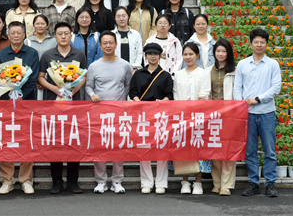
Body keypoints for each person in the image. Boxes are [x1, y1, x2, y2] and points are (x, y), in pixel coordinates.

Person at [37, 22, 87, 194]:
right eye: (60, 33)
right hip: (53, 103)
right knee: (55, 143)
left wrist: (74, 91)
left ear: (71, 35)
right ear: (55, 36)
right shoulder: (47, 55)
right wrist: (55, 89)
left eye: (66, 33)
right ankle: (57, 182)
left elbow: (83, 76)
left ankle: (73, 181)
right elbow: (41, 77)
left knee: (74, 142)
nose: (63, 36)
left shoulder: (79, 54)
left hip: (74, 105)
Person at [0, 21, 40, 195]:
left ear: (24, 34)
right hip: (6, 104)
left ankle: (26, 180)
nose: (15, 36)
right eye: (12, 33)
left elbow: (33, 78)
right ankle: (7, 180)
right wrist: (9, 94)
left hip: (26, 103)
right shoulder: (1, 54)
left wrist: (20, 95)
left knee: (26, 141)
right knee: (6, 141)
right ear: (8, 35)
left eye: (19, 33)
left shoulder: (32, 53)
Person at [235, 28, 281, 198]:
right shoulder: (242, 64)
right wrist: (240, 105)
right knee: (250, 151)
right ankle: (254, 183)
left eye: (262, 42)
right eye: (256, 42)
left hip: (266, 112)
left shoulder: (272, 64)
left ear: (266, 44)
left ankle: (270, 183)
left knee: (269, 150)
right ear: (251, 44)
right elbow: (237, 87)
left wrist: (258, 99)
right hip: (247, 114)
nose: (259, 45)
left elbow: (276, 87)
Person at [86, 31, 132, 194]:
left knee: (118, 146)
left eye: (110, 43)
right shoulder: (94, 66)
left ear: (116, 44)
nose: (108, 46)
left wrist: (122, 102)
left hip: (119, 113)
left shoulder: (125, 65)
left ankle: (117, 181)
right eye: (104, 43)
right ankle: (100, 181)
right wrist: (92, 95)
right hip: (99, 113)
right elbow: (88, 86)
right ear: (100, 46)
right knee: (100, 146)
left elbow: (128, 86)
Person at [128, 43, 173, 195]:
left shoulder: (165, 75)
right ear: (145, 56)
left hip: (160, 115)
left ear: (160, 56)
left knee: (162, 149)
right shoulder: (138, 74)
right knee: (144, 148)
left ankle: (161, 183)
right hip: (142, 115)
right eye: (149, 54)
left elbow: (170, 95)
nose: (152, 56)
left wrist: (162, 102)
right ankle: (146, 182)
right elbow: (132, 92)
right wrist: (137, 101)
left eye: (155, 54)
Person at [173, 43, 212, 195]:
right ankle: (184, 181)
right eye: (185, 54)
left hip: (199, 117)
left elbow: (205, 94)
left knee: (198, 149)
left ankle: (198, 182)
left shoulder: (203, 73)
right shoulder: (178, 74)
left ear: (197, 56)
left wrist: (194, 110)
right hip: (182, 117)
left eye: (191, 54)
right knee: (183, 149)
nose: (188, 57)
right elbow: (176, 95)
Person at [210, 38, 237, 196]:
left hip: (230, 115)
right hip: (213, 116)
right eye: (218, 51)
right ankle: (217, 182)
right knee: (215, 150)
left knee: (228, 150)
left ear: (228, 53)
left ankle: (226, 184)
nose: (220, 54)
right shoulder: (209, 71)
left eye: (223, 51)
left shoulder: (235, 71)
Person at [112, 6, 143, 71]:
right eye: (118, 16)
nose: (121, 19)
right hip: (115, 70)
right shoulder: (111, 35)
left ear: (128, 16)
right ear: (114, 18)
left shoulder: (136, 34)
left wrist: (135, 68)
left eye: (124, 16)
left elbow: (139, 53)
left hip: (133, 70)